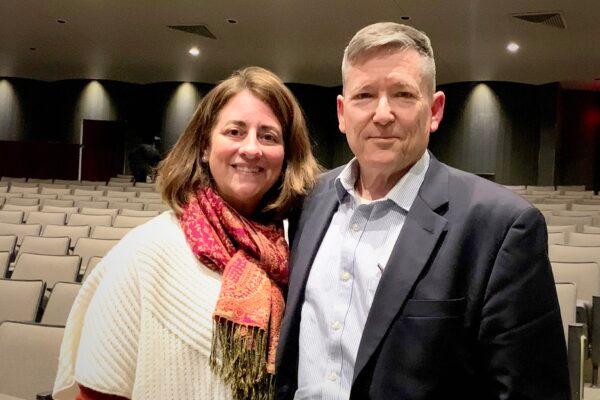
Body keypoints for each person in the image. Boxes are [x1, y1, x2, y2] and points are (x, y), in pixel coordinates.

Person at [275, 22, 570, 400]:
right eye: (365, 95)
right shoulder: (309, 201)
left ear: (434, 110)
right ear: (342, 112)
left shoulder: (501, 226)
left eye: (402, 94)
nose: (382, 114)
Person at [52, 66, 320, 400]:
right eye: (235, 132)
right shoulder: (145, 252)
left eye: (269, 136)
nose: (252, 149)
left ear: (286, 156)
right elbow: (97, 394)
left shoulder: (298, 250)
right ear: (205, 147)